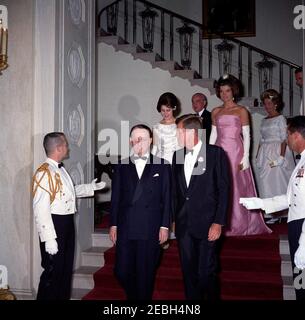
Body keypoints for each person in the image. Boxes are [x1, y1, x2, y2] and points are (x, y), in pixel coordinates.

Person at [32, 132, 105, 300]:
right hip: (54, 224)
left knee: (65, 271)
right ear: (58, 148)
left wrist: (90, 188)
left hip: (66, 224)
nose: (68, 147)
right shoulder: (43, 173)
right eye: (65, 144)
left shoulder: (61, 168)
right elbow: (40, 209)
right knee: (52, 272)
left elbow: (68, 192)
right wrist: (49, 238)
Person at [240, 116, 305, 300]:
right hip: (295, 225)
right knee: (300, 284)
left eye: (289, 134)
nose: (287, 138)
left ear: (298, 135)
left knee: (303, 283)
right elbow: (290, 197)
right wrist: (261, 203)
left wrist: (304, 244)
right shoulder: (301, 161)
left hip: (303, 229)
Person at [109, 124, 172, 300]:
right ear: (130, 141)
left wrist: (165, 226)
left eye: (142, 138)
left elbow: (167, 198)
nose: (139, 142)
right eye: (135, 139)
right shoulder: (121, 166)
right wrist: (113, 224)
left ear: (151, 140)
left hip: (150, 227)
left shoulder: (162, 165)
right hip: (126, 227)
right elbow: (116, 198)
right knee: (121, 271)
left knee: (145, 275)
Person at [172, 114, 230, 300]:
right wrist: (173, 219)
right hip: (184, 225)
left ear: (191, 131)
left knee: (206, 274)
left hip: (208, 225)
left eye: (179, 131)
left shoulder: (215, 153)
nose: (176, 135)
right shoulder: (177, 155)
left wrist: (218, 222)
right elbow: (176, 191)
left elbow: (224, 189)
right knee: (188, 275)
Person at [209, 74, 271, 236]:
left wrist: (245, 158)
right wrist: (208, 154)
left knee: (236, 187)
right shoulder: (215, 111)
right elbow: (213, 135)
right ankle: (219, 222)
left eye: (227, 91)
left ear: (233, 91)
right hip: (219, 151)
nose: (224, 94)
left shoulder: (242, 111)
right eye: (221, 91)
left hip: (236, 152)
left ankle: (239, 223)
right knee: (218, 186)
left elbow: (247, 135)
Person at [255, 89, 295, 223]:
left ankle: (280, 212)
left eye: (269, 103)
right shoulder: (264, 120)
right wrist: (257, 155)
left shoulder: (280, 118)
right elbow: (261, 139)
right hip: (265, 152)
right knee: (265, 182)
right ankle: (270, 213)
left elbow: (284, 138)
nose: (267, 106)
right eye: (265, 103)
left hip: (277, 151)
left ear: (275, 104)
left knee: (276, 182)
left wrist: (281, 157)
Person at [152, 92, 180, 164]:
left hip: (177, 160)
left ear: (174, 108)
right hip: (161, 161)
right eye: (163, 110)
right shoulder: (156, 127)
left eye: (168, 110)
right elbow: (155, 148)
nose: (165, 113)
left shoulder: (180, 124)